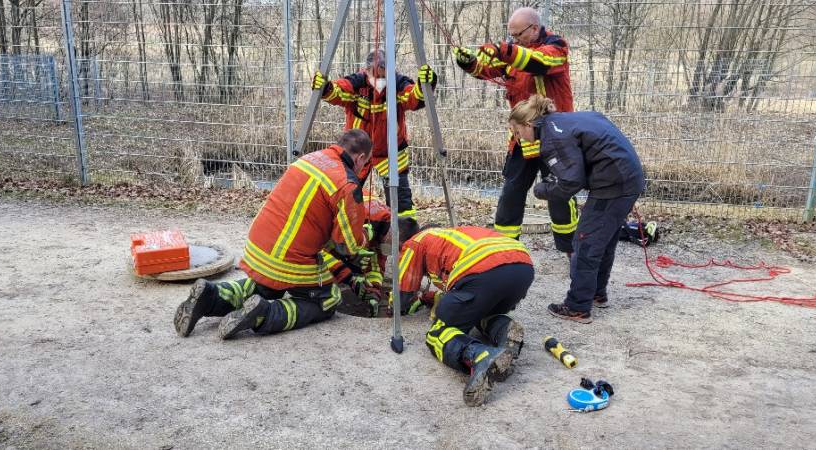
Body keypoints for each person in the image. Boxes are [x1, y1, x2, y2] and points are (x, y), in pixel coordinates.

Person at [173, 129, 373, 339]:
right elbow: (347, 246)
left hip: (257, 247)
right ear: (360, 158)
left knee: (267, 285)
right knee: (327, 299)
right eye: (365, 163)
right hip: (287, 257)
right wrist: (365, 234)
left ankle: (211, 296)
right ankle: (264, 315)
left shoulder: (308, 159)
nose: (363, 168)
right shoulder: (347, 184)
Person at [508, 95, 645, 323]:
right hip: (626, 177)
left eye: (518, 132)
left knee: (585, 241)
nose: (518, 137)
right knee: (604, 240)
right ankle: (596, 293)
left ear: (528, 125)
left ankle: (578, 306)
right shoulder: (560, 121)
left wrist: (541, 190)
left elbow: (570, 182)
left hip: (613, 184)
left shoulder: (552, 138)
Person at [451, 7, 577, 253]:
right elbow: (488, 70)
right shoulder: (514, 50)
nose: (514, 39)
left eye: (518, 35)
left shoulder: (556, 47)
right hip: (523, 138)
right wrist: (469, 63)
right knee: (511, 194)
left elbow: (538, 62)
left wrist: (503, 50)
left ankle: (571, 249)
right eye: (511, 36)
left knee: (559, 195)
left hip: (555, 138)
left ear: (534, 28)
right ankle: (504, 249)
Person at [395, 226, 534, 406]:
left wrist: (393, 305)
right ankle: (505, 331)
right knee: (478, 309)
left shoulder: (416, 241)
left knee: (438, 332)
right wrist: (428, 298)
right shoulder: (452, 236)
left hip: (484, 271)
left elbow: (402, 295)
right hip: (522, 267)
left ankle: (480, 355)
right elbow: (458, 290)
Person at [311, 50, 437, 224]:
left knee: (401, 202)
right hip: (356, 153)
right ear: (367, 69)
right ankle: (342, 234)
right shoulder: (357, 84)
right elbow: (338, 92)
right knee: (346, 193)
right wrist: (325, 88)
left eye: (383, 73)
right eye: (374, 73)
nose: (378, 79)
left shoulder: (398, 85)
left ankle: (403, 236)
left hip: (390, 153)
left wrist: (425, 85)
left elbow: (414, 98)